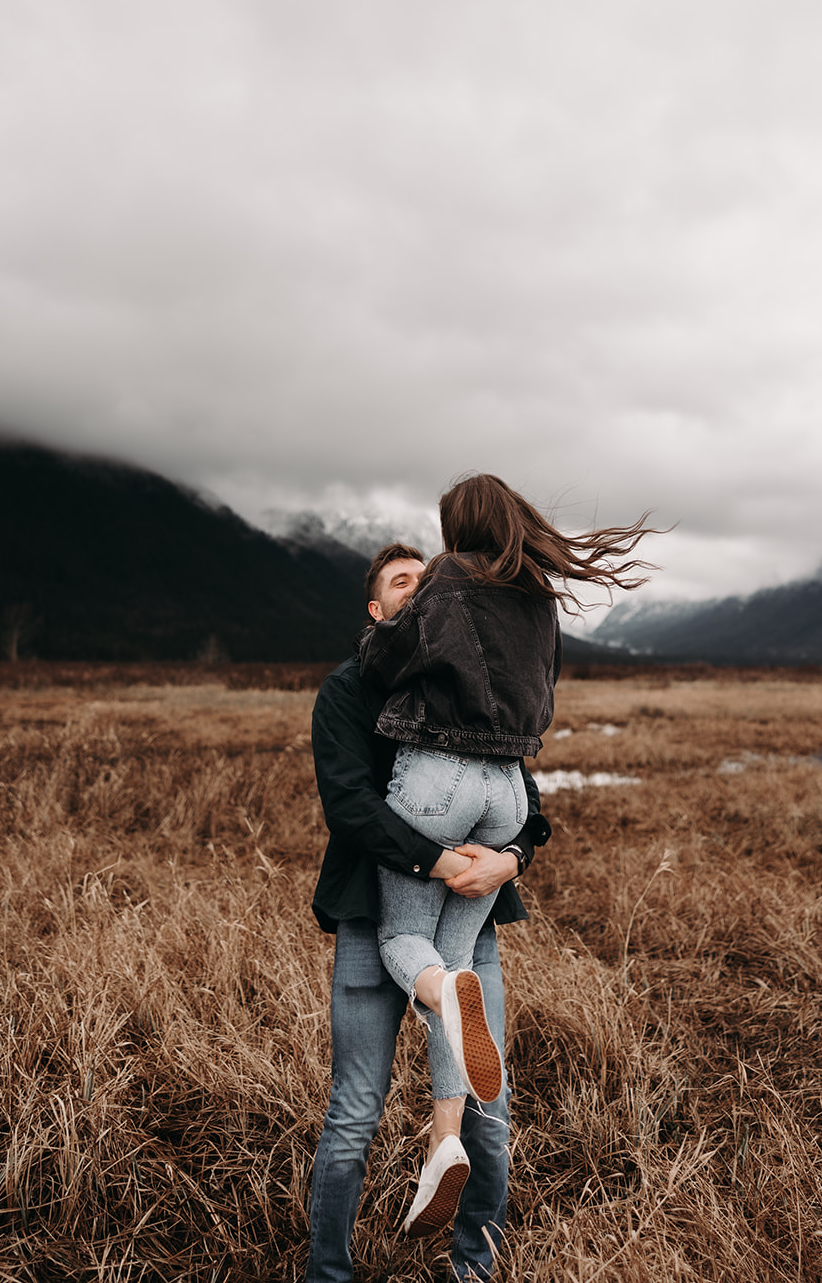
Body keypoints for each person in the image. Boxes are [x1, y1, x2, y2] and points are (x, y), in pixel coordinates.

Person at [358, 474, 658, 1239]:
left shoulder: (450, 576)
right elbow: (544, 690)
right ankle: (444, 1143)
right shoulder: (536, 593)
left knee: (402, 940)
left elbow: (387, 660)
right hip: (510, 793)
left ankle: (443, 997)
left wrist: (377, 633)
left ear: (458, 525)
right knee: (455, 966)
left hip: (440, 775)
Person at [305, 541, 551, 1283]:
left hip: (470, 909)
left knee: (491, 1112)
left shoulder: (466, 682)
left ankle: (471, 1267)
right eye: (403, 583)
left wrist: (510, 861)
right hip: (369, 918)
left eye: (429, 582)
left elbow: (522, 802)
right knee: (354, 1112)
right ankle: (329, 1273)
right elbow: (348, 805)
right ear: (377, 612)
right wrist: (442, 861)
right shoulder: (346, 691)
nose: (422, 592)